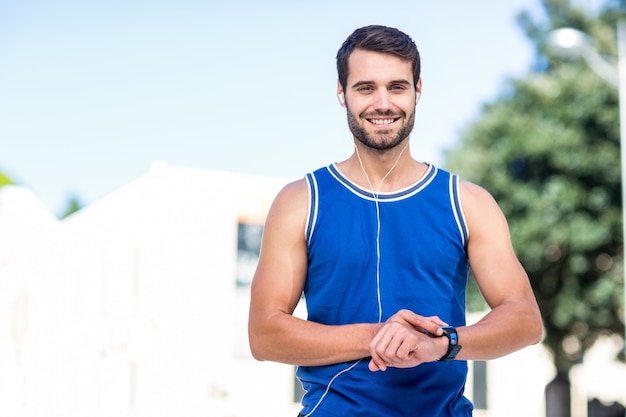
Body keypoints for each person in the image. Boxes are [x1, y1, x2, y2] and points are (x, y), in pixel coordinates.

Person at [248, 25, 543, 417]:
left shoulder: (468, 202)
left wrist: (441, 343)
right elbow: (264, 335)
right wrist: (381, 336)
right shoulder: (300, 201)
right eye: (366, 87)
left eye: (397, 87)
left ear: (418, 90)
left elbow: (524, 319)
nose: (383, 103)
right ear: (342, 93)